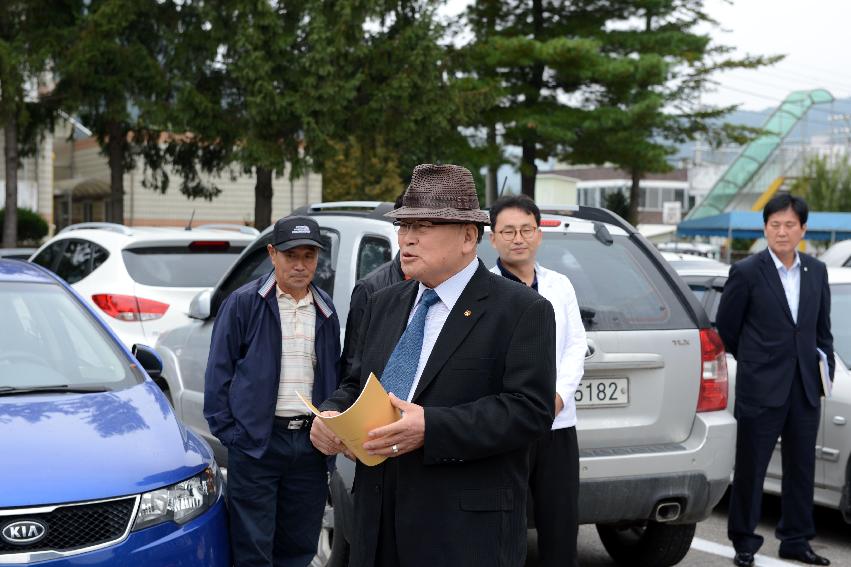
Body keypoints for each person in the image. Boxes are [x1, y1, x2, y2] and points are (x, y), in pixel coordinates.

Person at [310, 163, 557, 567]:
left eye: (422, 227)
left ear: (467, 236)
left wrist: (432, 428)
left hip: (461, 535)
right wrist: (332, 413)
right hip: (375, 525)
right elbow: (356, 381)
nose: (407, 239)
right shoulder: (384, 302)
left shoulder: (521, 310)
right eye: (403, 226)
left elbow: (530, 411)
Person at [204, 215, 341, 567]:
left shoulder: (324, 309)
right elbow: (218, 375)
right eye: (290, 255)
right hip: (257, 445)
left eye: (308, 256)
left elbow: (334, 376)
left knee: (298, 548)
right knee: (253, 549)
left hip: (309, 446)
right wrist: (234, 436)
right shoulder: (244, 303)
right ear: (272, 254)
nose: (299, 265)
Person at [716, 194, 834, 567]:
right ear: (765, 227)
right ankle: (744, 543)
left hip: (804, 387)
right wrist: (756, 361)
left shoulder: (816, 271)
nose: (781, 232)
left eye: (789, 225)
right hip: (760, 385)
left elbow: (821, 331)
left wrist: (823, 367)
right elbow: (728, 328)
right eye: (774, 224)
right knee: (752, 467)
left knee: (802, 467)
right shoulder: (748, 271)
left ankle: (796, 540)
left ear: (803, 229)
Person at [488, 194, 586, 567]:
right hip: (506, 425)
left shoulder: (560, 285)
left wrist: (556, 398)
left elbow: (576, 347)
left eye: (526, 229)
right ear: (492, 237)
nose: (518, 238)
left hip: (557, 424)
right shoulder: (484, 290)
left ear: (539, 234)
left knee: (560, 522)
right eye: (508, 231)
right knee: (504, 522)